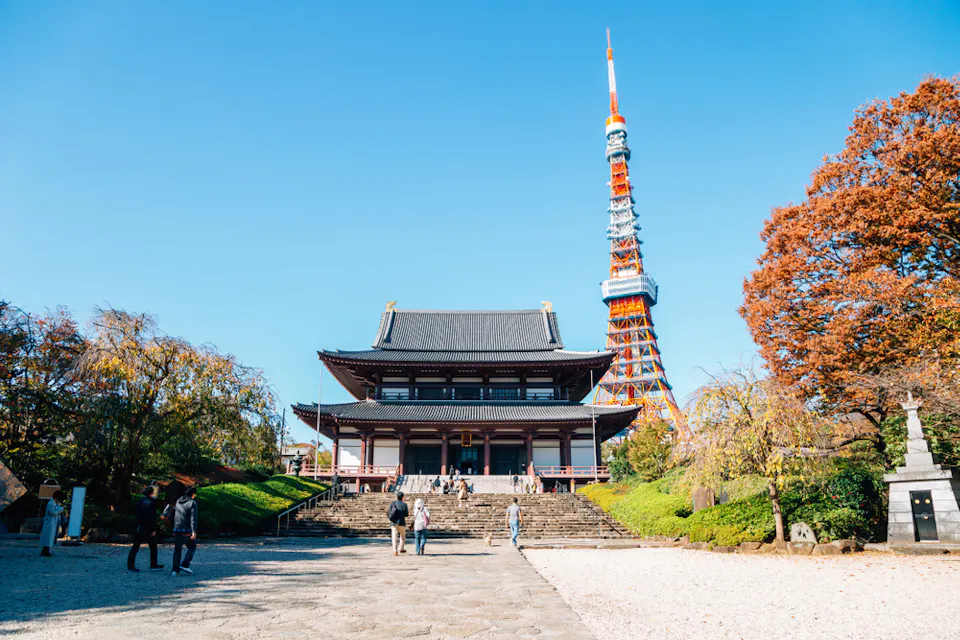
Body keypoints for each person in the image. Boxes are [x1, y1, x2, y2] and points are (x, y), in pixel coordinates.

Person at [128, 486, 164, 572]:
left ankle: (130, 565)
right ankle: (153, 564)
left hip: (140, 526)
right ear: (152, 493)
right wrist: (154, 529)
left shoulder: (140, 501)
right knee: (153, 546)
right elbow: (152, 517)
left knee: (135, 546)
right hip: (148, 527)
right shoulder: (152, 502)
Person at [171, 486, 199, 576]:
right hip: (186, 529)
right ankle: (185, 564)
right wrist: (193, 531)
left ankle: (175, 570)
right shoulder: (192, 503)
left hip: (177, 528)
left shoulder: (178, 501)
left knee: (177, 549)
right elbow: (193, 518)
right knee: (192, 546)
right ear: (193, 494)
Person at [39, 490, 66, 557]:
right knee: (48, 537)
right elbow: (53, 512)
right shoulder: (50, 504)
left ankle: (46, 550)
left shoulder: (55, 503)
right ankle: (45, 550)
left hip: (53, 522)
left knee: (50, 537)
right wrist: (61, 509)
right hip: (49, 523)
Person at [387, 491, 409, 556]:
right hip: (401, 522)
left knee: (394, 537)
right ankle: (401, 548)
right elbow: (406, 514)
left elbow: (389, 512)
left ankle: (395, 551)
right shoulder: (404, 505)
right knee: (402, 536)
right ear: (402, 497)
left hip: (393, 522)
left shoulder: (393, 504)